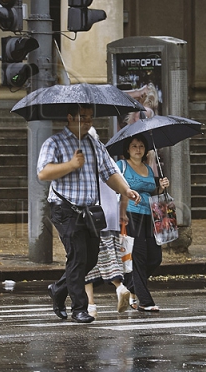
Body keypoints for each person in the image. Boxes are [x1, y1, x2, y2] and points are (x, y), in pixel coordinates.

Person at [38, 104, 141, 324]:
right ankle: (79, 308)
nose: (87, 121)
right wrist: (71, 164)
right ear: (70, 117)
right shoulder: (54, 143)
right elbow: (44, 172)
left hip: (89, 211)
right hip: (64, 208)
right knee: (77, 256)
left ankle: (58, 289)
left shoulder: (95, 145)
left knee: (91, 257)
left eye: (90, 118)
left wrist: (125, 190)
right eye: (82, 117)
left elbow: (109, 173)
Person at [83, 127, 131, 318]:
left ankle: (92, 305)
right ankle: (119, 287)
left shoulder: (85, 160)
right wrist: (122, 212)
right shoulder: (109, 158)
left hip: (91, 216)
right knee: (109, 256)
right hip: (110, 216)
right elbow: (124, 187)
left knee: (86, 261)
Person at [118, 134, 169, 312]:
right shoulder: (121, 166)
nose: (138, 149)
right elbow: (114, 188)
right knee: (138, 256)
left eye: (141, 146)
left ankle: (127, 287)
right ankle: (145, 301)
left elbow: (151, 191)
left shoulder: (148, 168)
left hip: (150, 215)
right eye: (134, 146)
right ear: (127, 149)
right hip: (130, 214)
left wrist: (160, 187)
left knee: (155, 257)